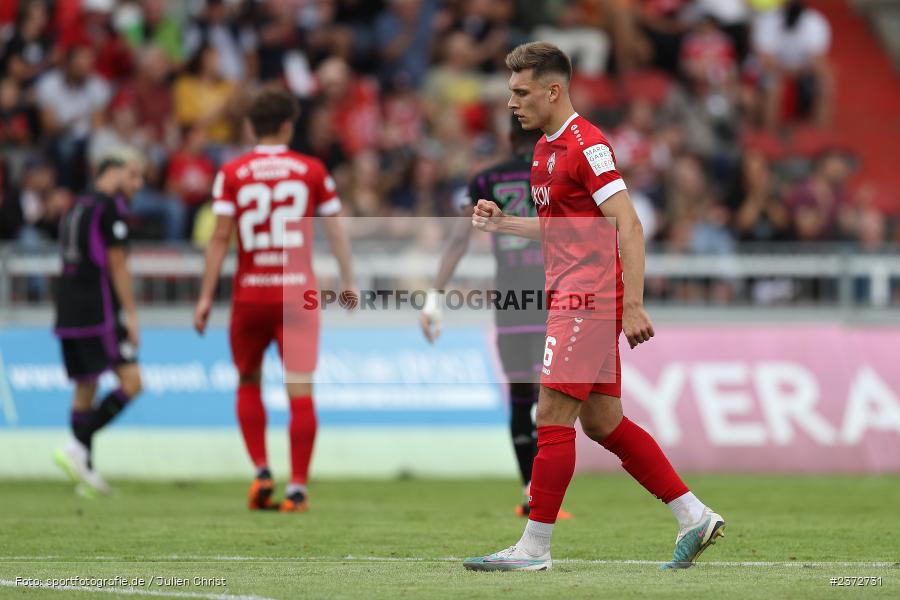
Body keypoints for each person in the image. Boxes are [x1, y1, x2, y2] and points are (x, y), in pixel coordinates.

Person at [464, 42, 725, 571]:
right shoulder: (544, 150)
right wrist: (503, 223)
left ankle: (534, 548)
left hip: (588, 297)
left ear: (552, 90)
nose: (511, 102)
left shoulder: (587, 144)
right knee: (604, 422)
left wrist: (634, 305)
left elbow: (628, 223)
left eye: (521, 92)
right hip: (572, 294)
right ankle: (693, 515)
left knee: (550, 416)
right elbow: (563, 228)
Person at [193, 88, 356, 513]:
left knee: (248, 381)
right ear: (288, 125)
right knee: (300, 391)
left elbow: (219, 238)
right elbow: (335, 230)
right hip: (296, 294)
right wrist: (347, 280)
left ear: (251, 126)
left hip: (250, 294)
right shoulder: (311, 169)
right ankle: (297, 487)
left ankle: (262, 470)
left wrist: (206, 296)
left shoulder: (232, 172)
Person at [421, 116, 571, 519]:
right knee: (550, 398)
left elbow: (459, 240)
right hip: (552, 297)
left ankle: (529, 491)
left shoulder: (485, 179)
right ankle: (545, 497)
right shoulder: (554, 174)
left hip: (509, 303)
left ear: (508, 137)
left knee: (520, 397)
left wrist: (434, 297)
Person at [52, 148, 145, 497]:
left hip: (67, 310)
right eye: (133, 175)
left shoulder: (76, 205)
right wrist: (131, 314)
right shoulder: (107, 207)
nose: (138, 184)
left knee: (86, 386)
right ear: (114, 171)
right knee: (132, 382)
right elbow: (117, 264)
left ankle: (85, 474)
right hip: (98, 312)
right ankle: (77, 446)